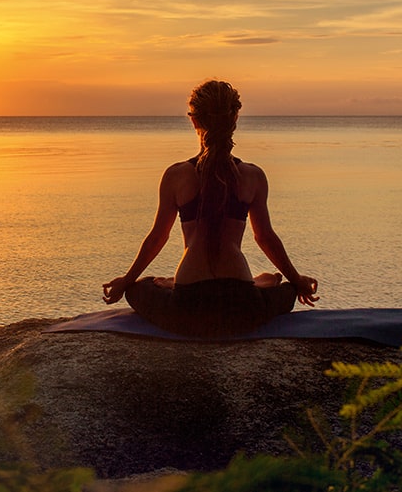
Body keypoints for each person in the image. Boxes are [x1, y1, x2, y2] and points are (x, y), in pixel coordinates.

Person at [102, 79, 318, 337]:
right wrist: (297, 281)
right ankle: (261, 283)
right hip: (242, 305)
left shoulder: (176, 176)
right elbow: (265, 237)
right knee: (289, 291)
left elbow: (158, 237)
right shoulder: (253, 176)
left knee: (139, 288)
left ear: (193, 120)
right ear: (235, 118)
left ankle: (178, 283)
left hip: (187, 307)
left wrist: (125, 282)